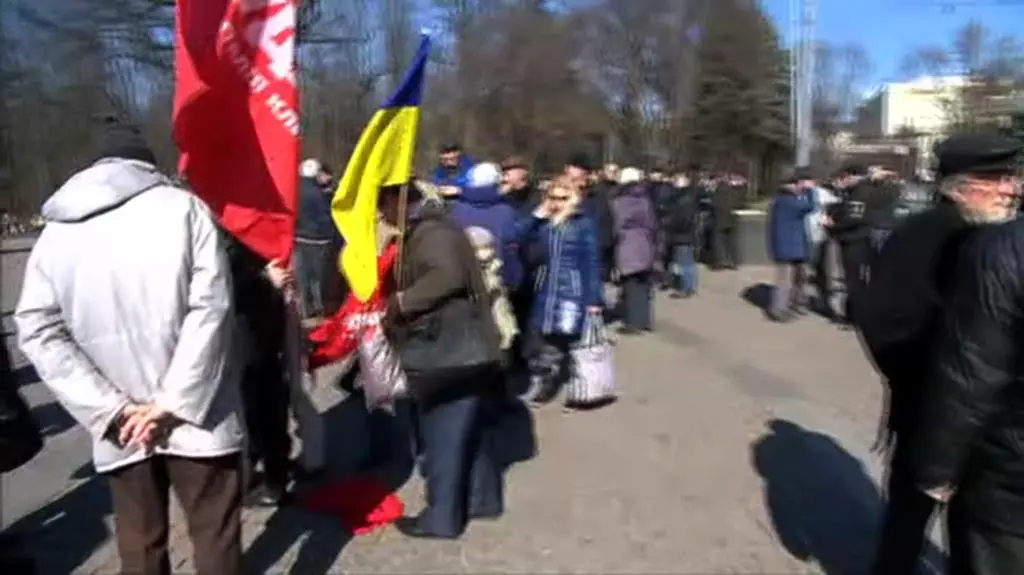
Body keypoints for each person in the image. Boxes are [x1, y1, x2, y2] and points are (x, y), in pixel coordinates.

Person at [14, 122, 245, 574]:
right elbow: (212, 309)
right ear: (146, 164)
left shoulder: (56, 234)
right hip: (200, 413)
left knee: (139, 540)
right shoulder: (184, 210)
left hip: (121, 424)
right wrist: (172, 402)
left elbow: (37, 329)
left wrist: (111, 409)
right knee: (214, 533)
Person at [859, 133, 1023, 575]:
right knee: (912, 515)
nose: (1013, 189)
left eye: (1013, 177)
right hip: (932, 411)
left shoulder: (998, 238)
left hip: (990, 431)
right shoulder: (926, 235)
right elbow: (881, 321)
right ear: (960, 185)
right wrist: (930, 380)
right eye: (998, 180)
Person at [380, 183, 504, 539]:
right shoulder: (439, 227)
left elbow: (444, 276)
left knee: (443, 435)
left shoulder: (431, 232)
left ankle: (441, 519)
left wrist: (400, 303)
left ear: (399, 199)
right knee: (468, 431)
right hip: (467, 349)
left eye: (383, 205)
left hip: (448, 350)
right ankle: (483, 501)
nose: (382, 215)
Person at [222, 230, 294, 507]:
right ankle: (265, 473)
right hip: (251, 334)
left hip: (253, 335)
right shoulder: (234, 233)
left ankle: (270, 479)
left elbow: (227, 282)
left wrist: (266, 278)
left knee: (261, 410)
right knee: (259, 409)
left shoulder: (237, 234)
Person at [520, 177, 603, 406]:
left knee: (564, 342)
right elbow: (518, 236)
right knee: (543, 339)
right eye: (553, 197)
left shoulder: (583, 224)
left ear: (574, 198)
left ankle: (565, 386)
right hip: (546, 290)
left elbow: (592, 262)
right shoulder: (545, 224)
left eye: (563, 198)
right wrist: (538, 214)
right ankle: (546, 382)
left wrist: (594, 299)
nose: (558, 203)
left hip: (572, 292)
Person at [447, 162, 524, 293]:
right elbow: (510, 251)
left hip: (458, 283)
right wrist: (514, 283)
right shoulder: (507, 213)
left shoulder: (454, 210)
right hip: (494, 284)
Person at [611, 167, 658, 334]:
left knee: (630, 286)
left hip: (627, 245)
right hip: (645, 243)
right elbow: (652, 223)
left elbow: (616, 225)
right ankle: (646, 320)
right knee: (644, 285)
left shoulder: (619, 202)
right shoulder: (645, 200)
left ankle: (633, 323)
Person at [766, 168, 816, 322]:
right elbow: (810, 207)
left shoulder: (778, 200)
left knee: (797, 278)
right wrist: (810, 191)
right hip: (792, 247)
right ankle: (780, 309)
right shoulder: (788, 201)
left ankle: (794, 304)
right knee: (787, 280)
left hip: (788, 246)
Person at [829, 163, 873, 327]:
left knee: (854, 280)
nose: (842, 181)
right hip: (856, 238)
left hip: (855, 239)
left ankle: (854, 315)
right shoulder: (857, 191)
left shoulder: (860, 193)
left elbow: (853, 217)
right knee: (855, 279)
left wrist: (832, 225)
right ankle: (854, 314)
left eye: (844, 178)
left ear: (851, 176)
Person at [295, 158, 338, 319]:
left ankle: (306, 311)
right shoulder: (321, 194)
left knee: (303, 278)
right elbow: (326, 218)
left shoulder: (295, 191)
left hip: (299, 238)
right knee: (318, 278)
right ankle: (320, 310)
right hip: (320, 240)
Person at [664, 173, 700, 298]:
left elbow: (684, 220)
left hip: (683, 235)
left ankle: (687, 287)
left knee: (685, 263)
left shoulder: (684, 200)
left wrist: (671, 224)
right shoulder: (686, 198)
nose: (673, 183)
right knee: (687, 262)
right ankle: (690, 286)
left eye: (676, 181)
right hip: (685, 235)